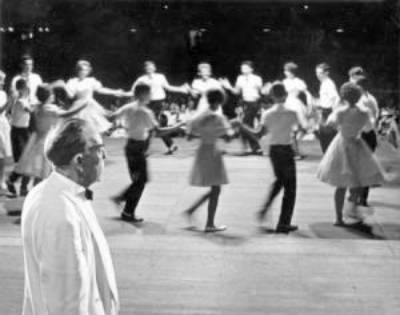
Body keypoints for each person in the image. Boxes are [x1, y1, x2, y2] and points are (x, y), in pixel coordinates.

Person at [21, 118, 119, 315]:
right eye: (98, 148)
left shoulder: (55, 193)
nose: (104, 155)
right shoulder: (60, 212)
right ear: (79, 161)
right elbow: (66, 303)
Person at [110, 83, 184, 222]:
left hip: (130, 146)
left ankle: (123, 200)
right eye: (149, 93)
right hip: (137, 148)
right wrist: (177, 127)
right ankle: (127, 210)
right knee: (140, 181)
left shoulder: (129, 106)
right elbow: (159, 131)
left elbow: (111, 117)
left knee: (139, 180)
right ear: (142, 94)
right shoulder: (145, 112)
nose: (151, 96)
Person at [239, 82, 305, 233]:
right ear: (286, 95)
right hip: (286, 149)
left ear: (272, 97)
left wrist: (242, 126)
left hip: (274, 151)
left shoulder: (267, 114)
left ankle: (265, 209)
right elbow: (300, 129)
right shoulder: (292, 112)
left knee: (280, 181)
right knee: (290, 188)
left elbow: (257, 135)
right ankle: (283, 222)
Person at [317, 83, 384, 226]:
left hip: (341, 144)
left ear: (344, 96)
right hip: (357, 144)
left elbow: (330, 124)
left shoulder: (340, 111)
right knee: (358, 182)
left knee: (341, 184)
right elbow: (368, 128)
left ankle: (338, 217)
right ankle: (351, 207)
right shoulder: (364, 112)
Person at [12, 84, 87, 188]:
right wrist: (81, 106)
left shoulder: (37, 106)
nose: (53, 96)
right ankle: (35, 188)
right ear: (49, 96)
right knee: (42, 168)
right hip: (46, 141)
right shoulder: (50, 109)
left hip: (36, 139)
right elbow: (67, 114)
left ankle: (23, 187)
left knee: (31, 165)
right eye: (52, 94)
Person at [184, 89, 234, 232]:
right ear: (219, 101)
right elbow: (228, 137)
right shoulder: (218, 117)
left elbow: (189, 135)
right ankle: (209, 223)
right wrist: (235, 127)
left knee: (215, 188)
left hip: (202, 150)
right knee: (216, 187)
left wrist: (203, 133)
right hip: (213, 151)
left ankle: (193, 210)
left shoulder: (199, 115)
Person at [130, 61, 188, 155]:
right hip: (147, 103)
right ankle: (171, 145)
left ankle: (144, 150)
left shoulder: (160, 77)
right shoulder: (141, 79)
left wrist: (180, 89)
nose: (150, 69)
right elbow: (133, 89)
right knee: (155, 126)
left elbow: (168, 87)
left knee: (150, 126)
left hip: (158, 102)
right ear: (145, 69)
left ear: (154, 68)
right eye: (147, 67)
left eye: (151, 67)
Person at [66, 60, 124, 134]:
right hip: (79, 106)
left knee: (93, 126)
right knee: (79, 129)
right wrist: (65, 87)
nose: (84, 72)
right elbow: (70, 95)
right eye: (81, 69)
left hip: (90, 105)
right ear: (78, 70)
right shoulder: (73, 82)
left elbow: (101, 90)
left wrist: (114, 92)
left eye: (86, 70)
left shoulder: (90, 81)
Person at [220, 61, 263, 155]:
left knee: (244, 124)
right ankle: (254, 148)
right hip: (245, 103)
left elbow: (261, 91)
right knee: (246, 125)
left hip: (254, 103)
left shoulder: (257, 78)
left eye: (245, 67)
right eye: (242, 67)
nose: (243, 69)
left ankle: (250, 147)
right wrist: (228, 87)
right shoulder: (240, 78)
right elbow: (236, 92)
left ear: (251, 69)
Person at [7, 79, 32, 197]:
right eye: (26, 87)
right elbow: (30, 111)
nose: (28, 89)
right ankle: (12, 181)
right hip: (18, 134)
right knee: (23, 162)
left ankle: (21, 186)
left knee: (26, 162)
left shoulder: (25, 100)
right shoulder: (21, 102)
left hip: (24, 132)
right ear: (21, 89)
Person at [282, 62, 311, 159]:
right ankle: (295, 152)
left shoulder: (299, 82)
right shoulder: (284, 82)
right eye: (285, 70)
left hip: (295, 104)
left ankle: (295, 151)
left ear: (291, 72)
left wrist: (310, 105)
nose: (285, 72)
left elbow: (306, 93)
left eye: (287, 71)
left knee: (299, 128)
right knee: (291, 129)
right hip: (289, 104)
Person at [315, 63, 340, 153]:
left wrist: (334, 114)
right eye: (317, 73)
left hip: (328, 112)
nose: (318, 75)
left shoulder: (328, 84)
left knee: (327, 138)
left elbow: (336, 99)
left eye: (320, 73)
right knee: (324, 137)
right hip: (325, 111)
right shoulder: (324, 83)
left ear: (326, 73)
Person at [0, 71, 12, 194]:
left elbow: (4, 111)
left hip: (2, 125)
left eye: (3, 80)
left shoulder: (3, 93)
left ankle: (2, 181)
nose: (2, 83)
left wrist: (10, 102)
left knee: (3, 155)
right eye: (0, 80)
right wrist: (10, 101)